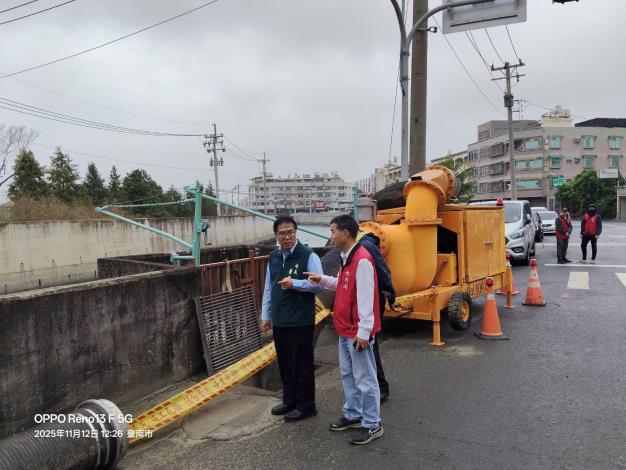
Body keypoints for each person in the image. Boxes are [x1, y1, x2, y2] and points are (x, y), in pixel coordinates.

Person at [306, 214, 383, 445]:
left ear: (345, 233)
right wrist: (321, 279)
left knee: (365, 379)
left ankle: (372, 423)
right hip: (344, 328)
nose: (331, 236)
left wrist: (364, 332)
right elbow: (341, 284)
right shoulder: (345, 257)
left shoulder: (362, 260)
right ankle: (354, 414)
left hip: (356, 331)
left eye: (333, 231)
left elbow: (367, 299)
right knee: (349, 375)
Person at [261, 215, 323, 422]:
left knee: (302, 365)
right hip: (280, 320)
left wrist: (295, 283)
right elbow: (269, 287)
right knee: (285, 363)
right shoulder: (273, 257)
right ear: (276, 235)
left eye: (290, 232)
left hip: (300, 320)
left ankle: (307, 406)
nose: (286, 237)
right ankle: (290, 401)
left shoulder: (308, 256)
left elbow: (319, 285)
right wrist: (266, 315)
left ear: (296, 233)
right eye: (282, 233)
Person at [358, 231, 395, 402]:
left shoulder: (365, 246)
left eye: (333, 231)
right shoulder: (361, 245)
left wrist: (391, 294)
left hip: (370, 302)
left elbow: (382, 273)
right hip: (362, 303)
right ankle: (369, 386)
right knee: (365, 347)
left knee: (370, 344)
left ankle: (380, 387)